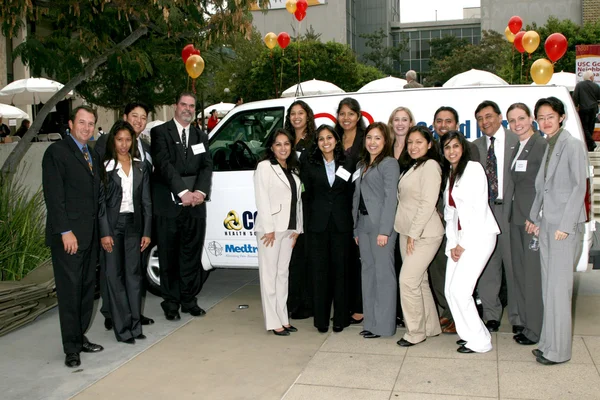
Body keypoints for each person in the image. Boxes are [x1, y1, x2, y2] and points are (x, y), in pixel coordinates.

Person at [526, 96, 587, 365]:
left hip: (564, 226)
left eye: (550, 116)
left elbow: (579, 187)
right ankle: (548, 343)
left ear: (561, 117)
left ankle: (559, 352)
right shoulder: (550, 145)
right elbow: (543, 187)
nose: (545, 121)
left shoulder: (571, 145)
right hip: (547, 224)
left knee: (559, 292)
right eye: (540, 117)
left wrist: (566, 224)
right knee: (548, 288)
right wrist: (534, 218)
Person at [42, 105, 104, 368]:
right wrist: (65, 231)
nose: (86, 128)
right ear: (70, 124)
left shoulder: (92, 154)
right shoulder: (56, 152)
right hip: (69, 237)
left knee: (86, 291)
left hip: (90, 236)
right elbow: (54, 198)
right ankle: (71, 348)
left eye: (91, 123)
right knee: (70, 293)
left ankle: (80, 338)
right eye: (82, 122)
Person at [150, 92, 213, 321]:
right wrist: (183, 192)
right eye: (183, 105)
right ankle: (171, 303)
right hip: (169, 206)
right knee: (168, 256)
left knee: (191, 255)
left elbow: (206, 166)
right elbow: (163, 164)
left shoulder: (200, 136)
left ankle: (188, 300)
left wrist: (200, 192)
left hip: (195, 207)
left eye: (191, 106)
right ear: (175, 106)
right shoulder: (159, 133)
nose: (187, 109)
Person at [95, 102, 154, 330]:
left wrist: (147, 229)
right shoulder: (107, 155)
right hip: (112, 222)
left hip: (135, 223)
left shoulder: (144, 150)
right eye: (134, 116)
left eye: (143, 117)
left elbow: (145, 195)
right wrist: (104, 229)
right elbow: (100, 194)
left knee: (133, 273)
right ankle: (115, 316)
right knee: (113, 273)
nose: (139, 120)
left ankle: (132, 317)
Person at [441, 131, 500, 354]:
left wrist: (462, 244)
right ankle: (469, 335)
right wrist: (452, 244)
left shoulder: (474, 169)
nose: (452, 151)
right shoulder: (451, 173)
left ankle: (481, 342)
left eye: (455, 146)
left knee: (460, 290)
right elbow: (450, 214)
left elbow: (478, 210)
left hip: (479, 237)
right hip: (458, 240)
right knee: (449, 290)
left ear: (463, 148)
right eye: (447, 147)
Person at [429, 106, 480, 334]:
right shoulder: (433, 149)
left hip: (464, 225)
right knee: (439, 269)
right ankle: (447, 312)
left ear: (457, 125)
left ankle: (460, 319)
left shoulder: (468, 151)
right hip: (439, 220)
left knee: (459, 275)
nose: (443, 125)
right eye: (439, 121)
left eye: (448, 121)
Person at [394, 126, 444, 347]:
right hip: (406, 232)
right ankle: (431, 327)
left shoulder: (431, 166)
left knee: (407, 281)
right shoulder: (413, 166)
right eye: (410, 142)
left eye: (419, 142)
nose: (413, 146)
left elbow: (427, 203)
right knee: (420, 281)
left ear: (429, 144)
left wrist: (414, 234)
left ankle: (415, 332)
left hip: (425, 233)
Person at [301, 125, 353, 333]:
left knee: (341, 273)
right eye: (321, 139)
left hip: (342, 226)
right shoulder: (310, 164)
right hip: (318, 226)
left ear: (336, 140)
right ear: (317, 142)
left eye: (329, 137)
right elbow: (306, 196)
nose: (325, 142)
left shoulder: (348, 162)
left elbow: (351, 193)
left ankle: (340, 318)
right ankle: (321, 320)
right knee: (320, 273)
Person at [473, 100, 519, 333]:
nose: (484, 122)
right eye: (480, 118)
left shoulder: (516, 141)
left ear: (499, 116)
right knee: (488, 266)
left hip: (510, 212)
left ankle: (518, 317)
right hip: (484, 212)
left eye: (488, 116)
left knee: (513, 267)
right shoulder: (475, 146)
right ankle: (492, 315)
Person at [505, 103, 547, 346]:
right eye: (512, 120)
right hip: (517, 219)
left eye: (521, 118)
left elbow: (545, 184)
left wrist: (538, 216)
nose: (517, 123)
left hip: (531, 221)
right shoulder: (518, 146)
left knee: (532, 277)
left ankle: (536, 329)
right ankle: (527, 324)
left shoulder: (540, 145)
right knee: (520, 275)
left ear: (531, 118)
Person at [352, 122, 399, 338]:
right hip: (363, 225)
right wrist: (355, 229)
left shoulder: (389, 164)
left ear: (386, 141)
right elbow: (357, 198)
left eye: (377, 138)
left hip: (381, 227)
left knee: (384, 276)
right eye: (369, 137)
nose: (372, 142)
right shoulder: (362, 165)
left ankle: (385, 326)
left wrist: (385, 231)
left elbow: (391, 199)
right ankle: (370, 323)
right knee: (368, 275)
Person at [254, 129, 303, 336]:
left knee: (283, 275)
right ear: (271, 147)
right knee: (270, 276)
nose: (283, 148)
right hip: (271, 231)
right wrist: (269, 228)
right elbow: (261, 198)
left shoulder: (293, 169)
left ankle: (283, 317)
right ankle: (273, 321)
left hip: (289, 229)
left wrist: (298, 229)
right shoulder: (265, 167)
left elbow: (298, 201)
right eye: (278, 144)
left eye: (286, 144)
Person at [335, 97, 366, 325]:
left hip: (360, 205)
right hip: (337, 206)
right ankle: (343, 305)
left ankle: (359, 306)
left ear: (358, 116)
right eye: (342, 113)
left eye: (351, 114)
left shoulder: (366, 139)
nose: (346, 118)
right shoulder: (333, 139)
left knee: (358, 260)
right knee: (342, 260)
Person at [284, 100, 317, 320]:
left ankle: (307, 304)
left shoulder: (314, 141)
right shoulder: (284, 139)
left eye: (301, 113)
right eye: (293, 114)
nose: (297, 117)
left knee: (307, 256)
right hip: (288, 203)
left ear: (308, 116)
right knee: (291, 257)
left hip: (309, 203)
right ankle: (292, 301)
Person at [387, 106, 415, 328]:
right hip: (388, 213)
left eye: (404, 119)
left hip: (409, 213)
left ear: (411, 123)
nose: (400, 123)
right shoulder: (386, 147)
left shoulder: (416, 147)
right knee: (393, 263)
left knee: (409, 264)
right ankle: (396, 311)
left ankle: (410, 313)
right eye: (396, 119)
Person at [573, 70, 600, 151]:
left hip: (583, 109)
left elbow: (575, 97)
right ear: (591, 77)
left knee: (584, 127)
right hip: (593, 108)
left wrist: (576, 106)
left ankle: (590, 143)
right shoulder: (596, 86)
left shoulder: (579, 85)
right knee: (590, 127)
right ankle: (590, 145)